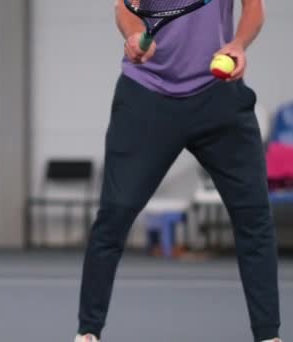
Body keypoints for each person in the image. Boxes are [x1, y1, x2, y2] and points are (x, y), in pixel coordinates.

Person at [75, 1, 282, 341]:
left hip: (219, 97)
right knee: (114, 215)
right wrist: (134, 34)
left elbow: (254, 10)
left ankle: (269, 336)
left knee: (255, 218)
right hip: (145, 97)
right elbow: (126, 8)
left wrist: (238, 44)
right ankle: (87, 333)